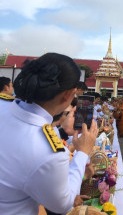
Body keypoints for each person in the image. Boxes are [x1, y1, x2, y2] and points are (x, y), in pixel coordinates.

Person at [0, 53, 98, 215]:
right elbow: (63, 204)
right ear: (68, 95)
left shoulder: (3, 103)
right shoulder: (49, 151)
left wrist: (63, 132)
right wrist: (82, 152)